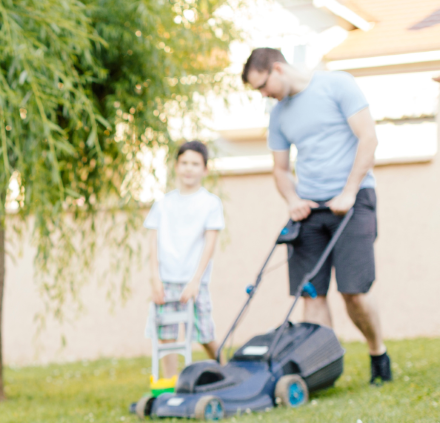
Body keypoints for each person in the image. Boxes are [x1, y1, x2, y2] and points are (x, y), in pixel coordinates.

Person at [243, 48, 390, 384]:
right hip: (309, 208)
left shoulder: (337, 85)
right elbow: (280, 169)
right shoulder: (278, 115)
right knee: (311, 292)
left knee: (355, 292)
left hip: (353, 201)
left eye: (262, 86)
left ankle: (377, 351)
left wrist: (350, 190)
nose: (263, 95)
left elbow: (368, 138)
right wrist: (293, 198)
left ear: (277, 69)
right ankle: (322, 372)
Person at [145, 140, 225, 380]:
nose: (189, 168)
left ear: (205, 169)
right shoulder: (163, 204)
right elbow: (152, 244)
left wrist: (195, 281)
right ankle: (170, 382)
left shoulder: (210, 203)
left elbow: (209, 245)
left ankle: (227, 371)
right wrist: (155, 280)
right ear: (176, 166)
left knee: (205, 333)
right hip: (166, 279)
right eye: (184, 163)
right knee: (166, 336)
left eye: (195, 164)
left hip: (193, 281)